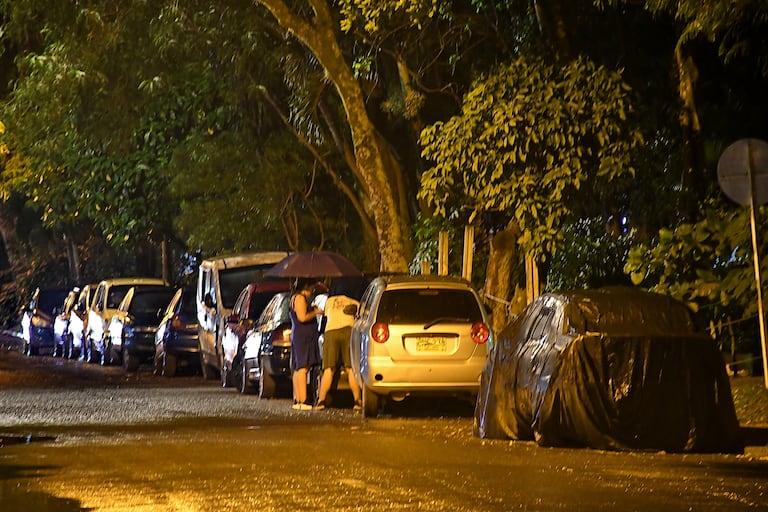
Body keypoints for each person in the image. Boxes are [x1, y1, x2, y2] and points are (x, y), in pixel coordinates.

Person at [315, 278, 363, 412]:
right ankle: (357, 401)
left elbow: (325, 317)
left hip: (331, 332)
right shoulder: (355, 302)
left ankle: (321, 401)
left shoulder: (330, 301)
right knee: (350, 369)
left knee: (329, 369)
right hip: (348, 330)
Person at [289, 278, 323, 411]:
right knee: (303, 368)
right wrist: (315, 312)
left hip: (299, 335)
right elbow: (302, 317)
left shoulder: (294, 297)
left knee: (298, 368)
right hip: (303, 336)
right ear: (307, 287)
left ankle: (298, 399)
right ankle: (302, 400)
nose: (312, 291)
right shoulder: (300, 298)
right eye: (312, 288)